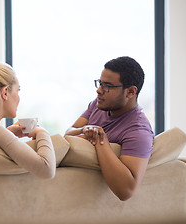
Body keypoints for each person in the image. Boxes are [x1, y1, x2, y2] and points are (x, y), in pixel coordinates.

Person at [65, 56, 154, 201]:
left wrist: (101, 140)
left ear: (131, 92)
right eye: (100, 83)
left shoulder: (139, 132)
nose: (99, 91)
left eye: (107, 86)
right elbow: (68, 133)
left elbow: (126, 191)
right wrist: (84, 129)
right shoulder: (99, 104)